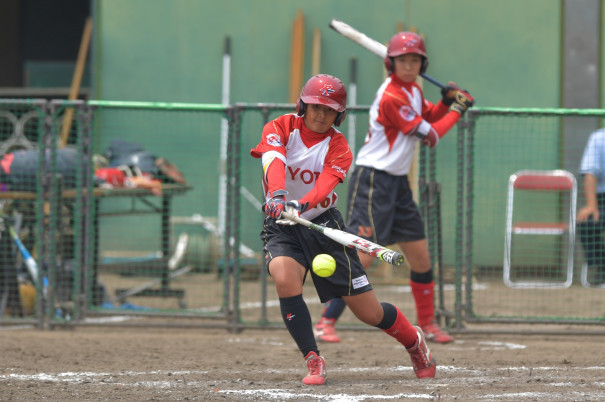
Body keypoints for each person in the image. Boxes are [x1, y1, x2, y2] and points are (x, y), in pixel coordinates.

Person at [250, 74, 437, 385]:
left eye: (330, 110)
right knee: (284, 277)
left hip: (323, 225)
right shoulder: (280, 126)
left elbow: (324, 188)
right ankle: (313, 359)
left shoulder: (339, 146)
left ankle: (414, 342)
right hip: (280, 222)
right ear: (302, 106)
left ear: (340, 115)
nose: (321, 115)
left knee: (369, 313)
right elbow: (273, 161)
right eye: (315, 108)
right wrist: (278, 196)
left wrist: (301, 205)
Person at [314, 32, 474, 344]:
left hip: (398, 183)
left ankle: (427, 323)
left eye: (415, 60)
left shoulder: (412, 90)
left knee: (421, 257)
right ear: (392, 63)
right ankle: (325, 321)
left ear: (422, 63)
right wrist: (458, 109)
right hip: (374, 181)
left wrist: (445, 102)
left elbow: (427, 115)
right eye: (403, 60)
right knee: (366, 256)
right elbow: (430, 135)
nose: (410, 65)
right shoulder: (392, 96)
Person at [578, 127, 605, 285]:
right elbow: (590, 172)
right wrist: (591, 205)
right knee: (586, 222)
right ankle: (602, 267)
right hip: (602, 198)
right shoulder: (599, 138)